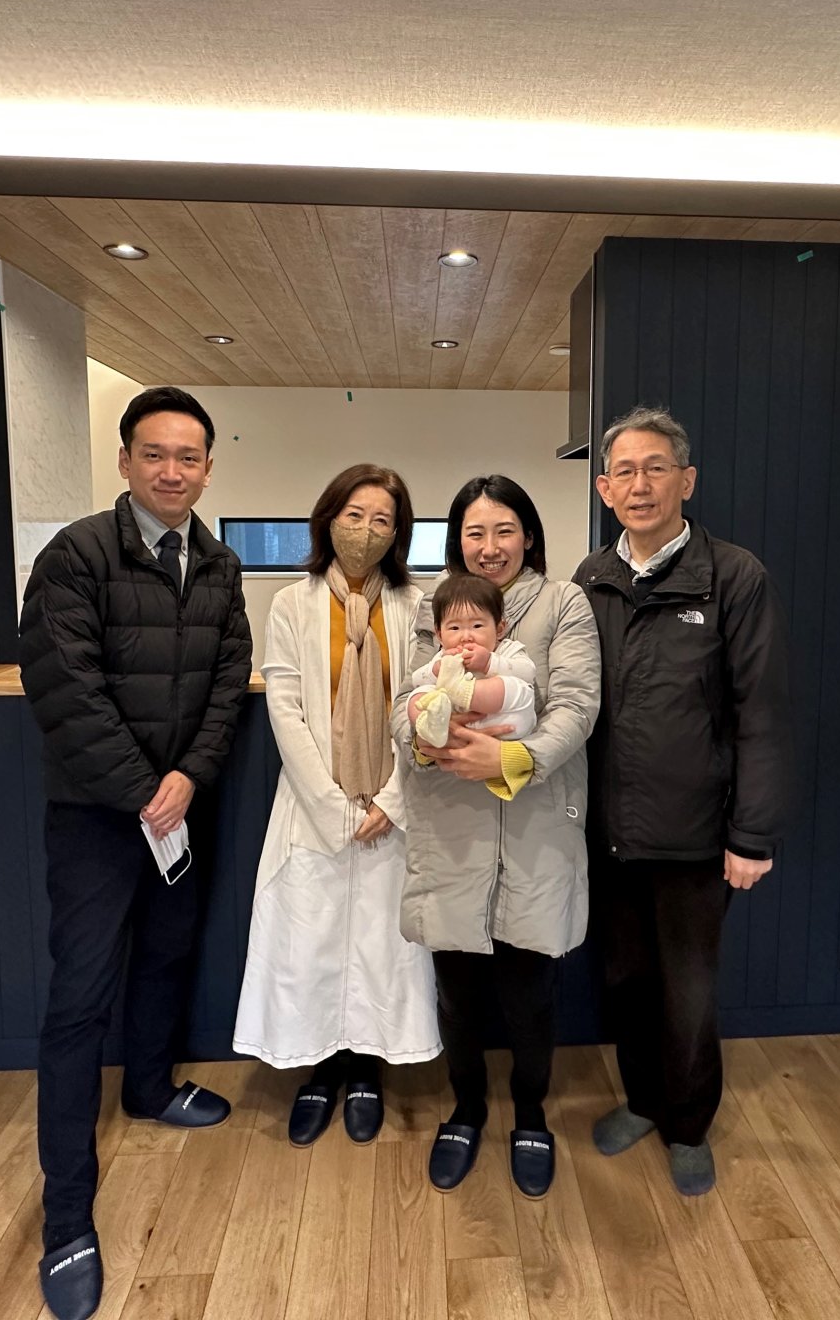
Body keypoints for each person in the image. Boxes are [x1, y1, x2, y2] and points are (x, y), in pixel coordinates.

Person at [18, 386, 252, 1320]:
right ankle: (67, 1215)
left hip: (179, 809)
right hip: (96, 816)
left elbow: (228, 683)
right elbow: (64, 688)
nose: (171, 471)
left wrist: (187, 778)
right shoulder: (76, 555)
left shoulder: (221, 564)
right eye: (154, 453)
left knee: (166, 953)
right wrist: (144, 790)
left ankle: (150, 1089)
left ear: (208, 468)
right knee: (79, 1000)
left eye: (188, 457)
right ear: (124, 461)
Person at [574, 405, 791, 1198]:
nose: (640, 485)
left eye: (655, 468)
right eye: (625, 471)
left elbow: (761, 713)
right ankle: (643, 1101)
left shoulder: (734, 576)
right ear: (605, 488)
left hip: (697, 837)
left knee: (689, 994)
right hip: (608, 832)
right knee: (626, 981)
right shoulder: (589, 580)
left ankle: (689, 1124)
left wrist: (752, 834)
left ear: (686, 480)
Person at [395, 475, 599, 1200]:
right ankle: (467, 1109)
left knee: (528, 990)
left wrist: (516, 757)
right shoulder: (437, 606)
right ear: (458, 541)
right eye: (475, 533)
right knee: (456, 988)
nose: (489, 546)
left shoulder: (563, 602)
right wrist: (426, 742)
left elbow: (577, 705)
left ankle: (532, 1115)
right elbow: (405, 699)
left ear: (529, 536)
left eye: (504, 530)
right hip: (451, 827)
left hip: (535, 824)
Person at [233, 463, 441, 1144]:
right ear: (328, 519)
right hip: (313, 806)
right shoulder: (291, 605)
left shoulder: (415, 606)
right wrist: (333, 806)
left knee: (381, 950)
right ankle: (319, 1071)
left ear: (398, 533)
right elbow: (286, 709)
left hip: (391, 806)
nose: (366, 531)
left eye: (382, 520)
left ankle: (367, 1073)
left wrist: (392, 800)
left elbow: (424, 707)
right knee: (312, 947)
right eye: (354, 515)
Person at [407, 572, 538, 748]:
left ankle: (459, 690)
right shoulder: (444, 656)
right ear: (439, 634)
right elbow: (416, 679)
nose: (466, 636)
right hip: (452, 727)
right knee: (417, 697)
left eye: (477, 626)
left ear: (499, 628)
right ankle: (430, 726)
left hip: (502, 725)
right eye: (454, 628)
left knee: (513, 686)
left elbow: (528, 673)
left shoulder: (507, 649)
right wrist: (437, 669)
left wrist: (489, 663)